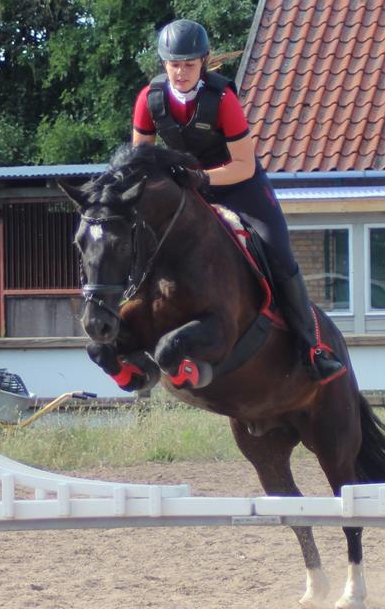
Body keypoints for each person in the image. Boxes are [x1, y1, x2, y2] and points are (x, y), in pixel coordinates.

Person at [131, 19, 346, 383]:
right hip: (187, 188)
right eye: (173, 64)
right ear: (163, 63)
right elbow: (140, 162)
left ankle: (312, 348)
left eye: (188, 64)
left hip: (239, 187)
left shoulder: (222, 99)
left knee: (278, 255)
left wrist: (198, 179)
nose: (180, 72)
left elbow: (243, 166)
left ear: (203, 62)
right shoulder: (149, 100)